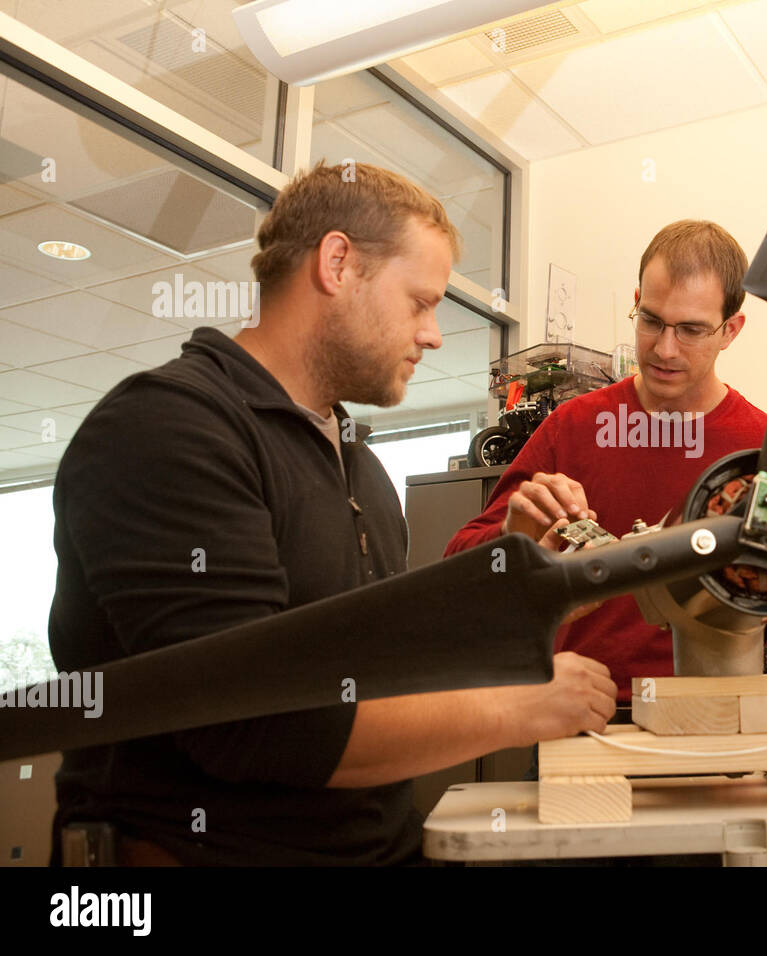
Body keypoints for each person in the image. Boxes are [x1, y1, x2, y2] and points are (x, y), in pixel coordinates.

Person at [47, 161, 616, 866]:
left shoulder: (358, 465)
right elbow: (254, 724)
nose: (435, 334)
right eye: (419, 302)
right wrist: (517, 705)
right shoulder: (170, 429)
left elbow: (382, 677)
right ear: (338, 264)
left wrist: (521, 585)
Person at [448, 220, 767, 703]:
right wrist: (514, 536)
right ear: (637, 300)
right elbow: (461, 563)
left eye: (690, 330)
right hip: (580, 718)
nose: (664, 349)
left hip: (719, 725)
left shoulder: (766, 447)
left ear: (731, 330)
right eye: (651, 320)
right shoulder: (573, 425)